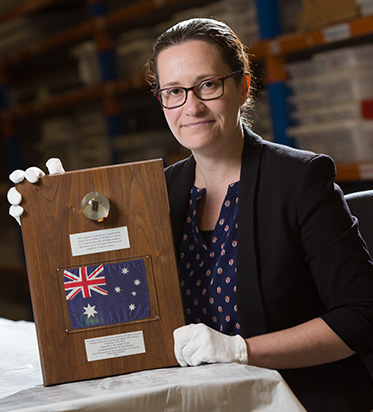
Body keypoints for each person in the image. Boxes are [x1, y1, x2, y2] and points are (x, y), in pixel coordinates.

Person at [8, 18, 373, 411]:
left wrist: (241, 350)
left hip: (297, 400)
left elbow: (363, 316)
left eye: (208, 85)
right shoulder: (154, 194)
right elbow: (108, 302)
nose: (192, 106)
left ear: (242, 86)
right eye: (174, 92)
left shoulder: (299, 179)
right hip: (195, 400)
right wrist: (55, 218)